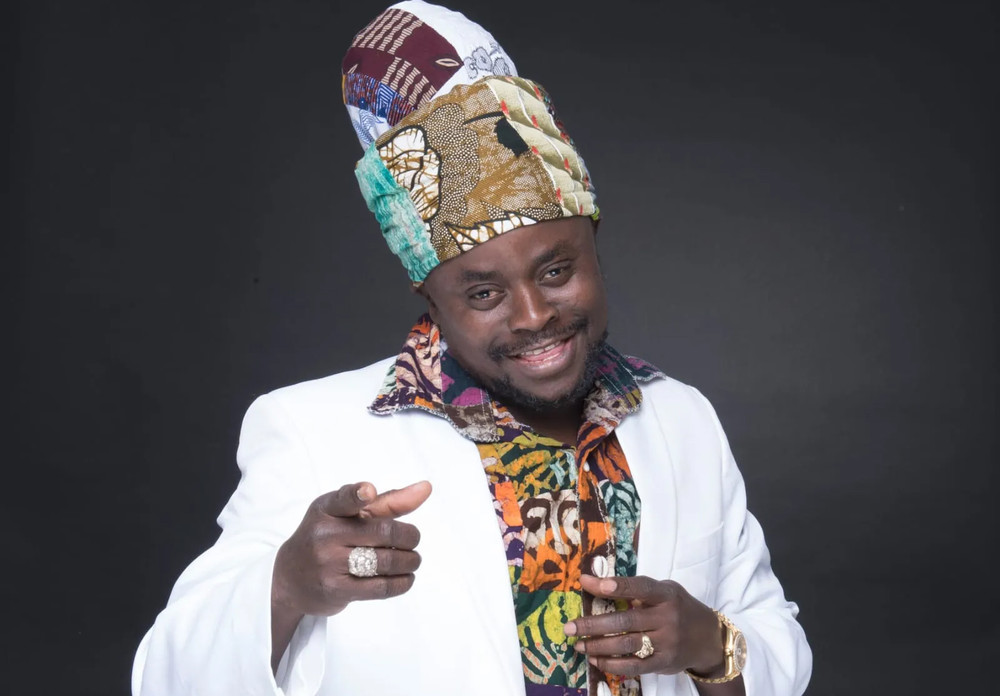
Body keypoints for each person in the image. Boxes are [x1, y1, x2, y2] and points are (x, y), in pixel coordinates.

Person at [132, 2, 812, 695]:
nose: (535, 316)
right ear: (430, 298)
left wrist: (711, 646)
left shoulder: (682, 419)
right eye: (484, 293)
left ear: (596, 248)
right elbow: (165, 678)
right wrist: (285, 588)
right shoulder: (314, 432)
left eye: (557, 271)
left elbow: (773, 638)